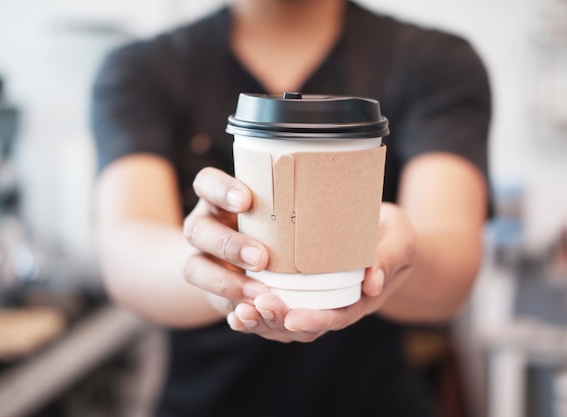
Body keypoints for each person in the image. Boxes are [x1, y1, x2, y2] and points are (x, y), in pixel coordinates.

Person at [91, 0, 491, 416]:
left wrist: (391, 260)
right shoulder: (144, 68)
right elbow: (126, 252)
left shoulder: (434, 60)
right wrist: (214, 272)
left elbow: (454, 260)